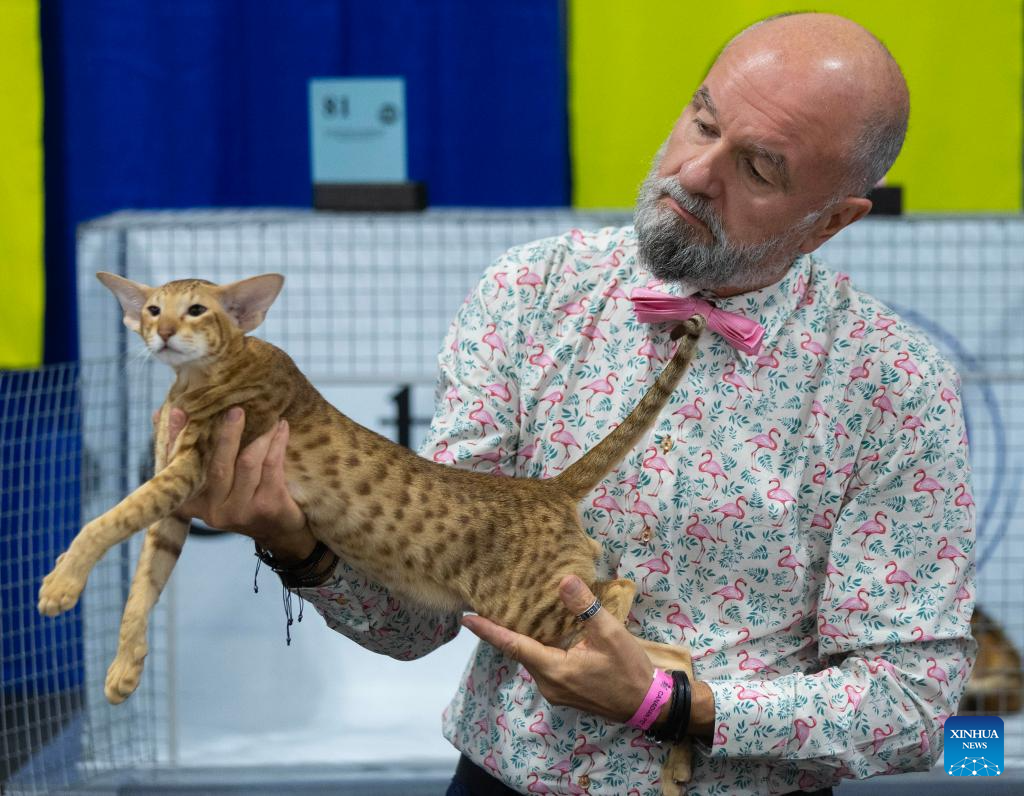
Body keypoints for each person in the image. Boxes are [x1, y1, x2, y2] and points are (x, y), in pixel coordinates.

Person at [168, 12, 976, 796]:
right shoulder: (532, 293)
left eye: (759, 169)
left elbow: (912, 701)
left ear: (830, 222)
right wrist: (295, 543)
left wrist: (674, 705)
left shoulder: (892, 383)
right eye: (702, 122)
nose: (695, 172)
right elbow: (419, 624)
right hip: (497, 783)